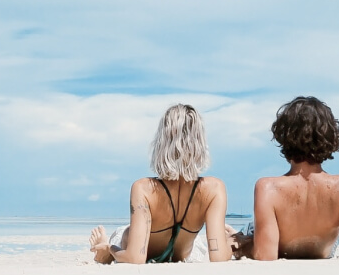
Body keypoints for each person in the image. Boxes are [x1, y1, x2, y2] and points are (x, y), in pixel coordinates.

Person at [230, 97, 339, 260]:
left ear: (283, 137)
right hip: (323, 250)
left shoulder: (268, 187)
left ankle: (239, 237)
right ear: (330, 137)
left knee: (248, 233)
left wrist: (244, 248)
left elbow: (265, 255)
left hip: (275, 244)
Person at [89, 104, 232, 264]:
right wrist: (230, 242)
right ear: (200, 143)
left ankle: (106, 249)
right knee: (196, 243)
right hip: (184, 253)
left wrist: (110, 248)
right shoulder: (214, 189)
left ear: (161, 142)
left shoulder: (144, 188)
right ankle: (105, 248)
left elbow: (135, 258)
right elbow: (219, 257)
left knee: (125, 235)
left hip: (136, 245)